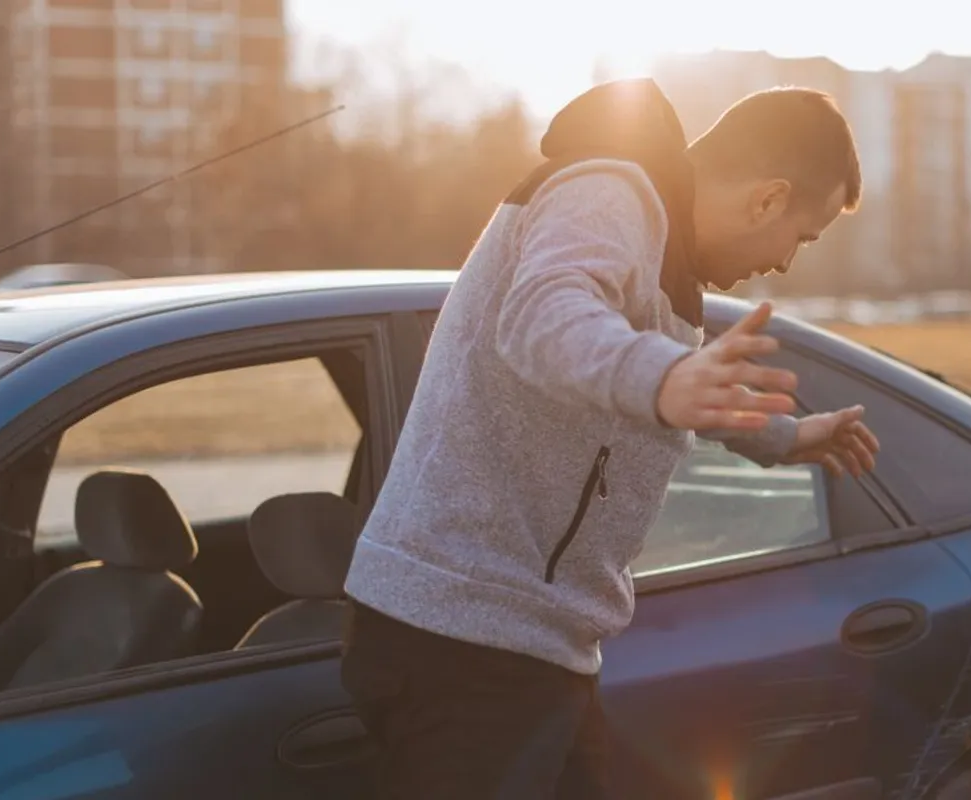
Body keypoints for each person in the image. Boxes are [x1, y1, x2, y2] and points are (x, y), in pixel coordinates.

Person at [339, 77, 881, 799]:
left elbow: (653, 389)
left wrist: (782, 436)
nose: (784, 262)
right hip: (464, 632)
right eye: (801, 238)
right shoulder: (607, 192)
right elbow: (545, 316)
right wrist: (658, 378)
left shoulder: (669, 268)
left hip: (533, 641)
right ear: (768, 199)